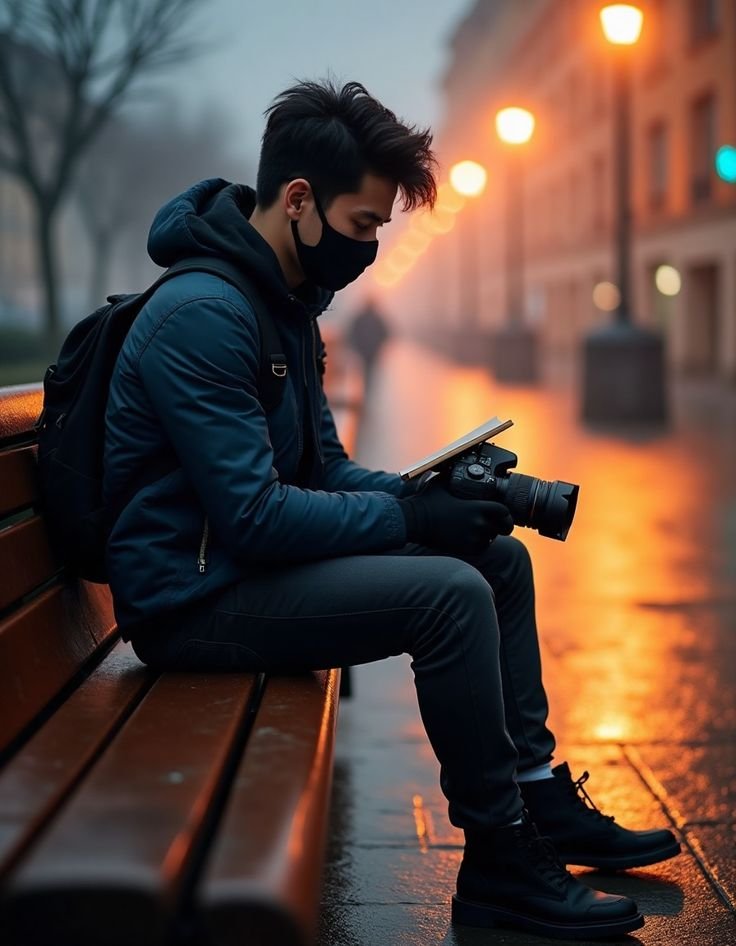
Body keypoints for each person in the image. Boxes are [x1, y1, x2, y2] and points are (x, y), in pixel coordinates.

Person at [104, 79, 680, 941]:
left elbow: (326, 471)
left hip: (237, 568)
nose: (369, 248)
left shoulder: (283, 308)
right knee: (447, 595)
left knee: (497, 561)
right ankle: (499, 859)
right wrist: (416, 524)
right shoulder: (206, 316)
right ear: (299, 200)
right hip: (190, 602)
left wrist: (432, 493)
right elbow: (256, 517)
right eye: (364, 224)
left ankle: (534, 794)